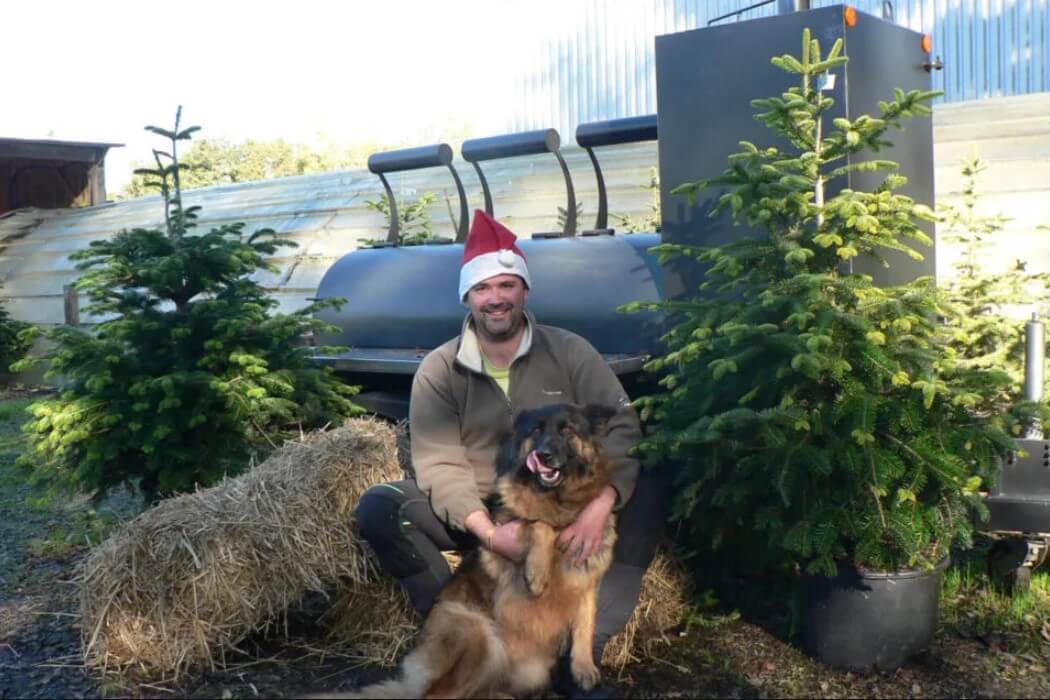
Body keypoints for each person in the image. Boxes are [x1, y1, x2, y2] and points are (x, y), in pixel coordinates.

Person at [356, 210, 666, 698]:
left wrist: (601, 504)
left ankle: (578, 659)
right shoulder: (440, 369)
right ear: (467, 296)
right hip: (483, 505)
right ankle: (464, 631)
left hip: (564, 502)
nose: (495, 298)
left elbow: (624, 428)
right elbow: (438, 462)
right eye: (483, 288)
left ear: (524, 291)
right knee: (383, 507)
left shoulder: (570, 351)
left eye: (506, 285)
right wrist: (489, 533)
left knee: (646, 491)